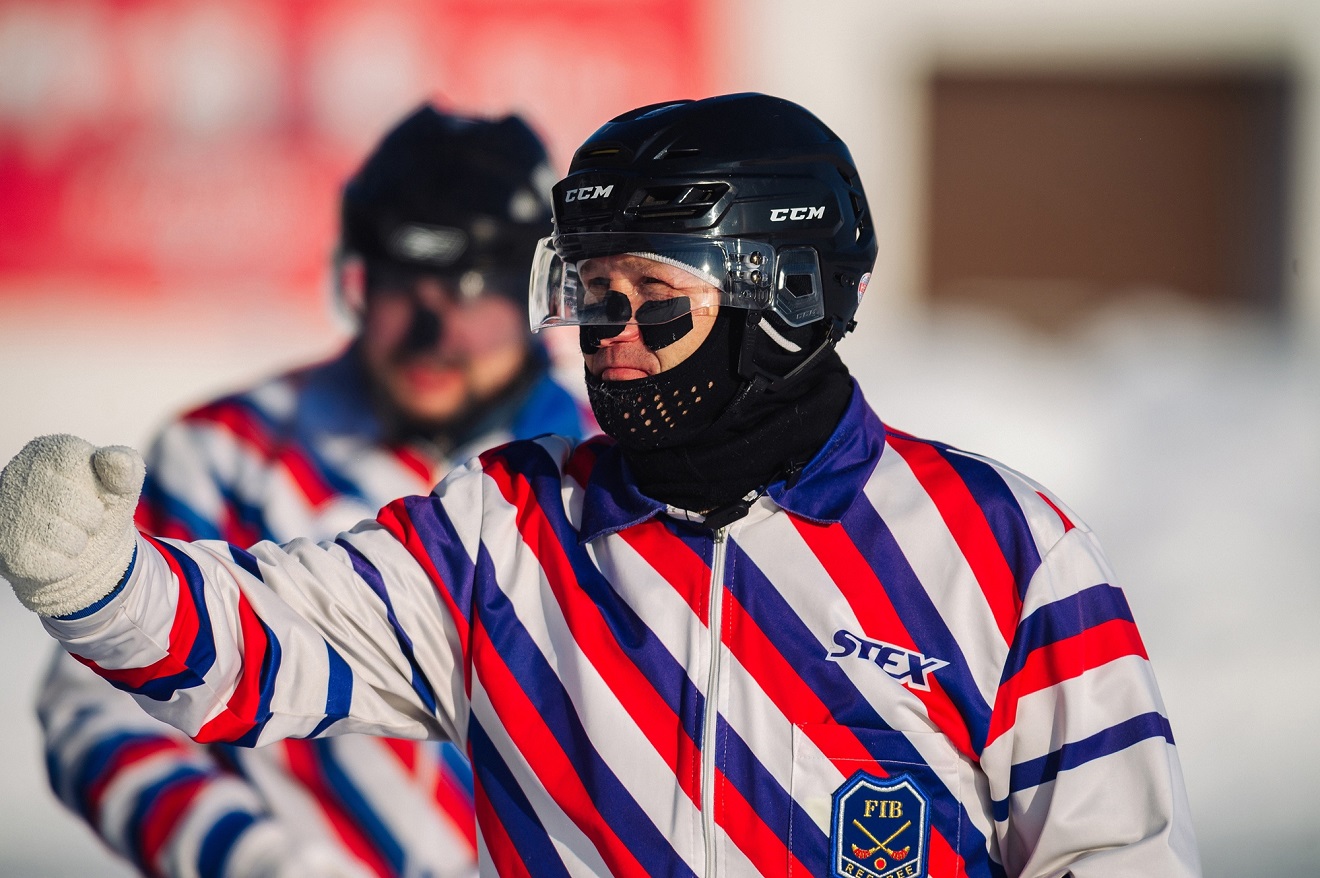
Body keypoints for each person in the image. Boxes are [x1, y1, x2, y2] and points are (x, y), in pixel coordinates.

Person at [0, 93, 1202, 877]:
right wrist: (105, 581)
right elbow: (252, 646)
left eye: (649, 298)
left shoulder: (1003, 550)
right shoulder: (506, 528)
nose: (605, 336)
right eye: (586, 292)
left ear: (782, 293)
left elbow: (1119, 853)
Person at [31, 104, 589, 878]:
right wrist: (258, 863)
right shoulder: (223, 456)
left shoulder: (610, 469)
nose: (433, 334)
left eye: (470, 293)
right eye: (399, 285)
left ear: (539, 289)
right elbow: (93, 713)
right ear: (353, 275)